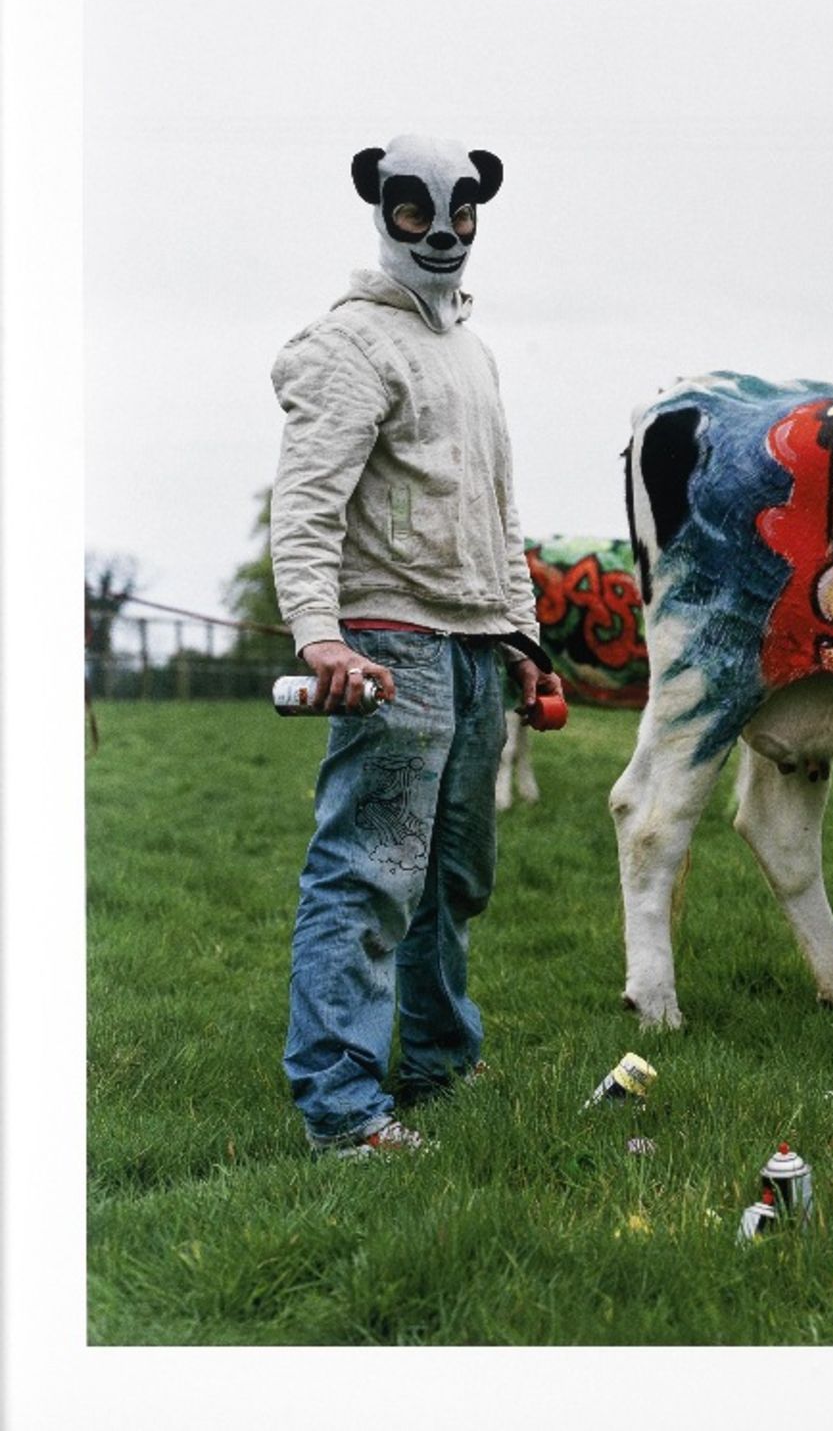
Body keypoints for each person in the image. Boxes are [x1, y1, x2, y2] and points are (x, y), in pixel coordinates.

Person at [269, 134, 561, 1157]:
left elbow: (496, 508)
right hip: (390, 639)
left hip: (475, 645)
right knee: (369, 871)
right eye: (413, 212)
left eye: (460, 212)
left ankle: (439, 1056)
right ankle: (343, 1111)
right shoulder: (348, 344)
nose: (441, 233)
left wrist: (523, 638)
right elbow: (307, 505)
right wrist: (321, 635)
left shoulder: (471, 352)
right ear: (379, 209)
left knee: (453, 874)